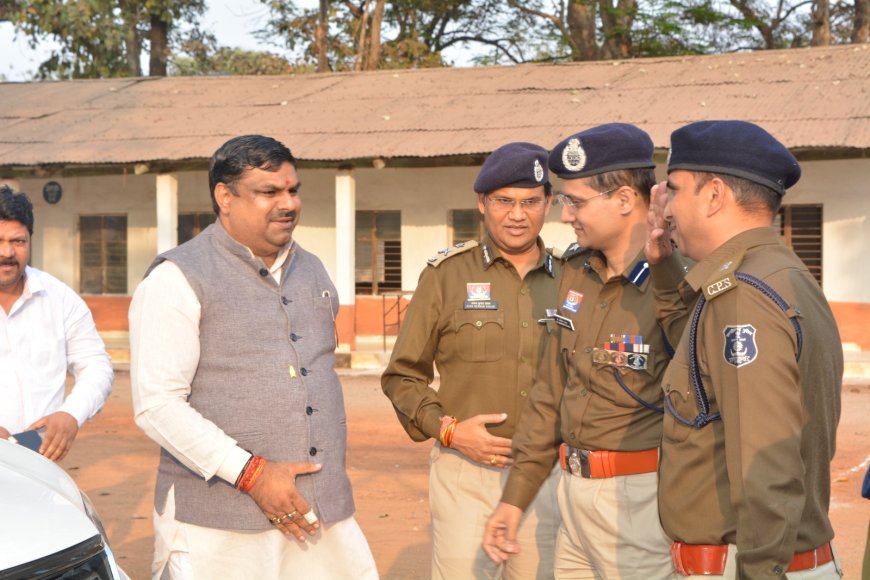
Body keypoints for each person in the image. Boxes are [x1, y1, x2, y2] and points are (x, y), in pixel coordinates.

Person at [129, 135, 377, 579]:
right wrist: (253, 475)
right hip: (219, 528)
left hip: (320, 518)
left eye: (293, 190)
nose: (288, 204)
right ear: (225, 197)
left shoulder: (312, 268)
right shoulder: (176, 278)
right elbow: (157, 405)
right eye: (269, 192)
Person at [483, 123, 687, 578]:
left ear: (624, 199)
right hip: (571, 495)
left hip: (640, 501)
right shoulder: (576, 272)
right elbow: (550, 391)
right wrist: (514, 499)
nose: (565, 216)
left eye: (576, 201)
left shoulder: (679, 281)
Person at [645, 120, 843, 578]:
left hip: (752, 565)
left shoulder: (743, 296)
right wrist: (664, 266)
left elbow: (765, 465)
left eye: (675, 190)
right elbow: (698, 360)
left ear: (714, 195)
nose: (667, 209)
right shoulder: (772, 273)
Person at [382, 142, 562, 579]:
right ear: (481, 203)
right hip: (466, 473)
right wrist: (449, 430)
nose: (517, 215)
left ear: (549, 203)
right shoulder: (446, 276)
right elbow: (402, 375)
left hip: (547, 476)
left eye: (530, 202)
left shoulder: (573, 279)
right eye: (504, 201)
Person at [0, 184, 113, 461]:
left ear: (30, 240)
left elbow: (96, 365)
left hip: (38, 460)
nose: (7, 252)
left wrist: (71, 414)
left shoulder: (60, 299)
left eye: (18, 241)